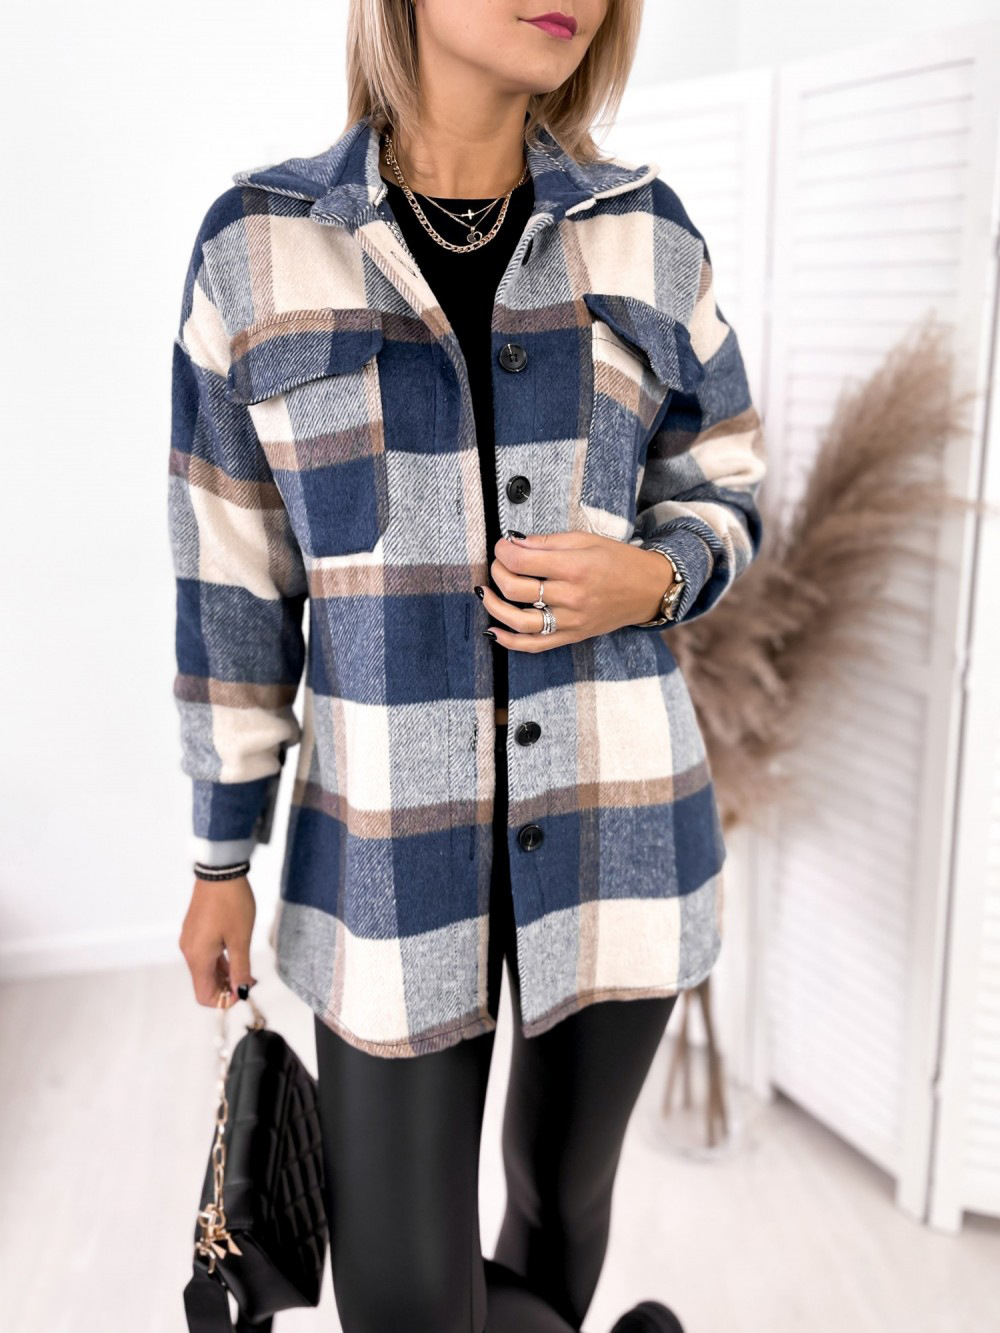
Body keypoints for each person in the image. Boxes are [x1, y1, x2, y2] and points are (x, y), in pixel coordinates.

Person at [173, 2, 767, 1330]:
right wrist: (220, 858)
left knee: (559, 1210)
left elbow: (727, 484)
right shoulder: (257, 247)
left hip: (622, 835)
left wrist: (654, 576)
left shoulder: (647, 232)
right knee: (401, 1299)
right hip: (385, 857)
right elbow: (232, 587)